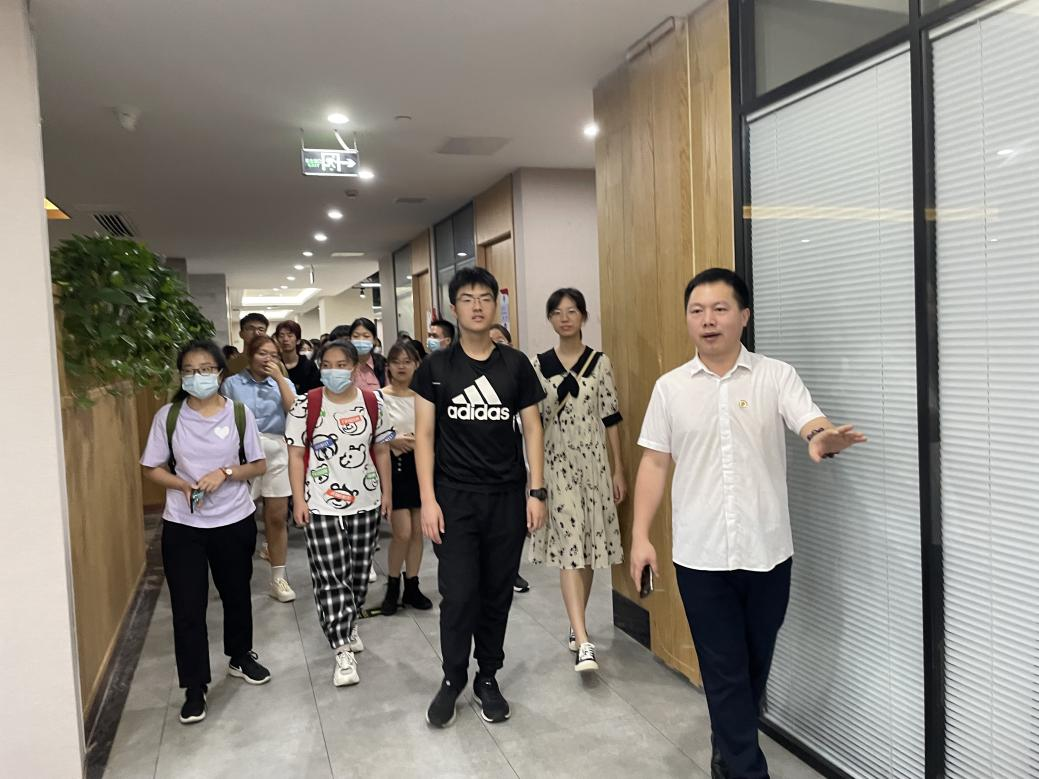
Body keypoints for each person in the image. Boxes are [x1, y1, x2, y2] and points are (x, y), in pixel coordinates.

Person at [629, 268, 866, 779]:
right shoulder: (670, 388)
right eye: (697, 311)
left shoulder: (775, 376)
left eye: (720, 309)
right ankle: (745, 769)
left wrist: (822, 437)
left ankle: (727, 748)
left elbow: (808, 419)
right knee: (725, 671)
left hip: (767, 552)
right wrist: (640, 537)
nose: (708, 320)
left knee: (753, 665)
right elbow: (655, 463)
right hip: (700, 557)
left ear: (744, 317)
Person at [414, 267, 547, 728]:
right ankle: (453, 677)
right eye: (467, 298)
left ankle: (487, 676)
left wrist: (536, 491)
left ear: (496, 306)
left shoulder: (515, 364)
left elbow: (533, 427)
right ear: (454, 308)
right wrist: (428, 500)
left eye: (485, 298)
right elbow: (424, 436)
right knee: (459, 594)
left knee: (496, 592)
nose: (476, 306)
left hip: (506, 497)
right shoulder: (435, 368)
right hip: (454, 498)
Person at [140, 340, 272, 725]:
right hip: (184, 526)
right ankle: (194, 686)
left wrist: (225, 473)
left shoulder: (239, 413)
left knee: (236, 594)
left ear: (219, 372)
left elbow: (258, 465)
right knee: (188, 607)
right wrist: (181, 484)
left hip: (234, 519)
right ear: (181, 376)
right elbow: (151, 468)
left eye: (205, 369)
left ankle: (240, 656)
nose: (197, 376)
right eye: (189, 370)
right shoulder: (169, 416)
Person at [286, 339, 393, 688]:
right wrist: (298, 500)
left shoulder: (373, 402)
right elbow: (295, 455)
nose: (334, 371)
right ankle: (342, 646)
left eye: (341, 364)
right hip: (320, 503)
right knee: (330, 575)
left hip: (366, 498)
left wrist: (387, 494)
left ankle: (350, 620)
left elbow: (382, 450)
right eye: (327, 365)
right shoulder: (306, 404)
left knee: (359, 572)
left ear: (355, 367)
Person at [530, 288, 626, 673]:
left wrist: (618, 469)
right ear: (550, 319)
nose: (565, 318)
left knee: (586, 549)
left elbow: (611, 417)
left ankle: (576, 623)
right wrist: (535, 478)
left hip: (594, 465)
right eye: (557, 312)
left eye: (571, 311)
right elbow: (533, 423)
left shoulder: (600, 363)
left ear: (583, 316)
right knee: (570, 545)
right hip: (557, 465)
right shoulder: (538, 365)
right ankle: (584, 641)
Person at [220, 335, 299, 603]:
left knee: (277, 516)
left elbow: (295, 412)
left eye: (274, 355)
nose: (268, 359)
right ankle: (235, 574)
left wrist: (279, 379)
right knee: (239, 518)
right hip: (243, 453)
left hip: (277, 450)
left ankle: (278, 577)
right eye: (262, 353)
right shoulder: (232, 384)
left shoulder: (283, 382)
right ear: (250, 355)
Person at [379, 341, 433, 615]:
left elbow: (432, 431)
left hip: (420, 465)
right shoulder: (379, 397)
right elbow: (372, 433)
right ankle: (392, 585)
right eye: (396, 361)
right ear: (388, 366)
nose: (401, 366)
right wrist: (393, 439)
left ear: (416, 365)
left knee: (417, 532)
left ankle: (412, 584)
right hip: (393, 466)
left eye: (407, 361)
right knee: (401, 532)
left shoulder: (424, 396)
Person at [486, 323, 531, 596]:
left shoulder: (519, 374)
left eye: (501, 341)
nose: (496, 346)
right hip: (486, 469)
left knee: (514, 526)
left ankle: (510, 571)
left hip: (517, 466)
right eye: (491, 341)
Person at [330, 318, 386, 391]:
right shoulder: (341, 365)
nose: (361, 340)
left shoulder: (382, 364)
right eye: (356, 336)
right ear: (350, 339)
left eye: (366, 336)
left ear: (374, 340)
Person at [276, 320, 322, 394]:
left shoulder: (309, 365)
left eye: (290, 336)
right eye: (281, 336)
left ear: (298, 340)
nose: (285, 339)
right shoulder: (275, 364)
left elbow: (316, 391)